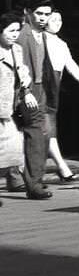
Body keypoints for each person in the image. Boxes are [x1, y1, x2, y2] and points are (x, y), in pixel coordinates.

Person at [8, 0, 54, 199]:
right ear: (27, 13)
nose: (43, 18)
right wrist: (25, 92)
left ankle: (17, 177)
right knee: (36, 133)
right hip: (24, 90)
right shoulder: (21, 34)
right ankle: (34, 184)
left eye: (47, 14)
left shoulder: (41, 34)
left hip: (39, 88)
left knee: (29, 133)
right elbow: (17, 66)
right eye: (39, 13)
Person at [43, 11, 79, 182]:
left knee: (46, 128)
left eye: (60, 19)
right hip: (40, 88)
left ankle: (24, 170)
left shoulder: (61, 44)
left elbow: (70, 64)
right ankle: (62, 166)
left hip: (53, 88)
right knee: (47, 128)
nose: (57, 22)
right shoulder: (38, 39)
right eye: (53, 19)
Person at [1, 13, 31, 198]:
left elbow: (22, 72)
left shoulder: (17, 50)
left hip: (8, 106)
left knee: (14, 148)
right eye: (10, 31)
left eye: (17, 31)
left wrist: (25, 85)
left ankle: (16, 179)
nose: (14, 34)